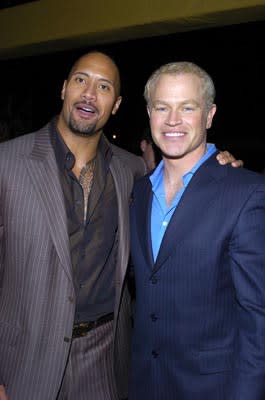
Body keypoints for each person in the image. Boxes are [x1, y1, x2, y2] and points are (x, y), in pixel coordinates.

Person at [0, 51, 242, 400]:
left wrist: (220, 166)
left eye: (103, 86)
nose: (89, 93)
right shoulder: (7, 163)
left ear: (116, 105)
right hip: (23, 361)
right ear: (64, 88)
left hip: (106, 359)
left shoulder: (132, 172)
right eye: (81, 80)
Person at [129, 61, 265, 399]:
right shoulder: (139, 191)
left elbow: (258, 320)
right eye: (163, 107)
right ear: (149, 113)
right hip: (146, 383)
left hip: (212, 388)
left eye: (187, 107)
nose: (173, 120)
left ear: (209, 114)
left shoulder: (246, 192)